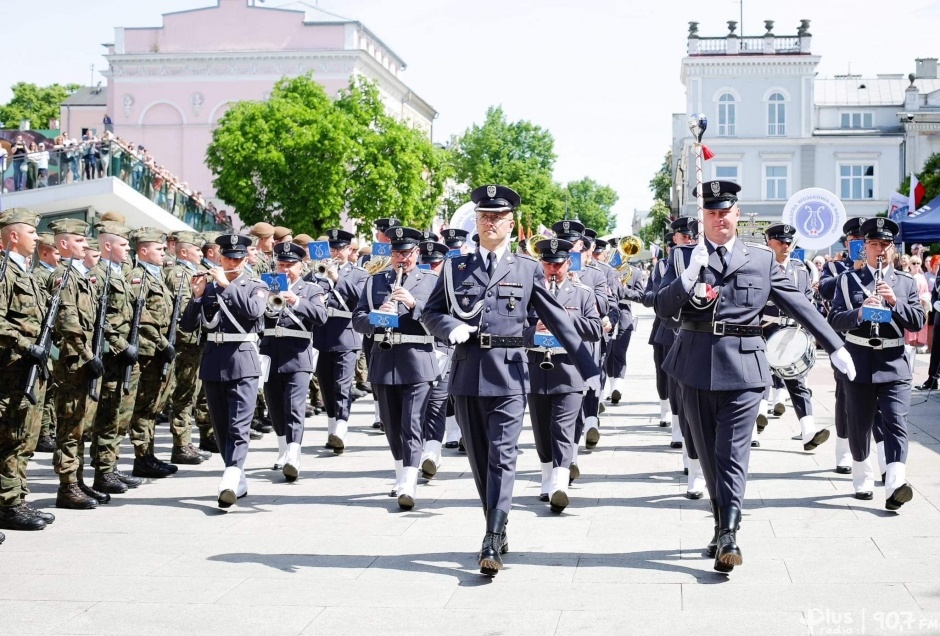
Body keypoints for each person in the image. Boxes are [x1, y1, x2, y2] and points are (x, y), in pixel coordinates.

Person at [654, 180, 855, 573]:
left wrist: (835, 345)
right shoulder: (683, 258)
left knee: (731, 453)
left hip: (745, 369)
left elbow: (798, 305)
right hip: (694, 365)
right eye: (711, 213)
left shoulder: (761, 260)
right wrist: (689, 275)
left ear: (737, 214)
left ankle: (730, 533)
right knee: (708, 456)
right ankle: (720, 525)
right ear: (703, 218)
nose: (719, 219)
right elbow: (662, 308)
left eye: (725, 212)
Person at [422, 184, 600, 576]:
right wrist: (448, 327)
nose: (489, 222)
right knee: (480, 459)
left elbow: (556, 318)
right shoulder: (456, 267)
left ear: (510, 223)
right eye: (483, 216)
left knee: (503, 454)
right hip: (468, 372)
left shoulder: (527, 267)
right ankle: (497, 523)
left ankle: (492, 533)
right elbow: (430, 313)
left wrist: (588, 368)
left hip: (510, 372)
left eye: (496, 217)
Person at [828, 218, 926, 508]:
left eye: (885, 245)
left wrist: (895, 302)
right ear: (864, 249)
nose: (879, 250)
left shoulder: (905, 282)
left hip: (894, 361)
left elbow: (919, 321)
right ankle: (862, 475)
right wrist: (859, 313)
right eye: (874, 244)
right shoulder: (848, 281)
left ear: (893, 249)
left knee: (896, 421)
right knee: (858, 425)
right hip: (858, 361)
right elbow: (833, 320)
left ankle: (896, 483)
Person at [179, 234, 269, 508]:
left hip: (243, 360)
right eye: (228, 257)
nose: (232, 262)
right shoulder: (208, 287)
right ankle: (236, 475)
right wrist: (196, 298)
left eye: (238, 258)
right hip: (213, 360)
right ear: (219, 257)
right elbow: (186, 325)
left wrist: (226, 284)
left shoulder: (256, 285)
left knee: (239, 425)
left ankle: (229, 478)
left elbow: (254, 312)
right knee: (220, 427)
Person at [353, 227, 439, 509]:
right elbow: (358, 319)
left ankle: (409, 480)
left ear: (417, 253)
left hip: (417, 358)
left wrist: (413, 303)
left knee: (412, 422)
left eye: (406, 253)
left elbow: (440, 319)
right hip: (384, 358)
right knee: (391, 424)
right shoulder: (375, 281)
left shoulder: (432, 281)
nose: (401, 258)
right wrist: (378, 318)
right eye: (396, 253)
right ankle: (401, 470)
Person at [525, 238, 602, 513]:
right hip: (536, 367)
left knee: (563, 427)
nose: (553, 269)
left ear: (569, 263)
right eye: (548, 263)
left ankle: (560, 480)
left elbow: (595, 329)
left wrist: (562, 321)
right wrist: (534, 329)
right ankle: (547, 478)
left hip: (569, 370)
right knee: (541, 429)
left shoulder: (582, 293)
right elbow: (513, 327)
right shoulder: (528, 291)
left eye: (558, 263)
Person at [0, 208, 55, 535]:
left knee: (24, 438)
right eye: (32, 233)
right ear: (13, 236)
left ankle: (15, 499)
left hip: (28, 369)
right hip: (10, 368)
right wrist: (25, 344)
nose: (37, 238)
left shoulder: (26, 273)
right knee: (9, 438)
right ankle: (7, 503)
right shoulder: (4, 270)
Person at [47, 218, 109, 509]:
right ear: (63, 244)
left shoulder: (80, 276)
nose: (86, 246)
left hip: (84, 361)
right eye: (80, 242)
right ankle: (67, 486)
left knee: (82, 426)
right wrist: (88, 356)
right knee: (70, 427)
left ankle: (79, 481)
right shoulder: (63, 276)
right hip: (73, 363)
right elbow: (68, 322)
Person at [759, 224, 829, 450]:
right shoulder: (760, 268)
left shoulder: (800, 270)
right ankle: (753, 425)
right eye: (780, 242)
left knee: (797, 382)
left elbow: (808, 302)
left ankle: (808, 433)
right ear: (768, 243)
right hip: (764, 330)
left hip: (791, 333)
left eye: (789, 242)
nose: (786, 246)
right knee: (759, 380)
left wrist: (807, 333)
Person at [260, 242, 326, 482]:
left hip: (298, 353)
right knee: (275, 405)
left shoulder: (311, 289)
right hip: (270, 352)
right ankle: (282, 450)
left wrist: (296, 301)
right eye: (281, 264)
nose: (285, 269)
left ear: (301, 266)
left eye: (290, 265)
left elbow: (321, 316)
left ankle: (294, 454)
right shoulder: (265, 286)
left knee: (294, 406)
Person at [87, 222, 144, 495]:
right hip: (111, 358)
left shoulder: (121, 274)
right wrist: (123, 346)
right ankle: (103, 471)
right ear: (107, 246)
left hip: (126, 358)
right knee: (108, 415)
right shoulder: (98, 276)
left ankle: (111, 467)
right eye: (123, 245)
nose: (127, 249)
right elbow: (100, 321)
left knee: (122, 415)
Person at [309, 229, 369, 453]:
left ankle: (341, 428)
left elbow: (361, 296)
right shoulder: (317, 272)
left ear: (349, 250)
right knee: (325, 385)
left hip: (346, 333)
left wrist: (337, 278)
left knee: (342, 385)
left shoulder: (359, 273)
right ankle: (332, 429)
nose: (335, 253)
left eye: (339, 249)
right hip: (323, 334)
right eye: (332, 249)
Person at [163, 231, 211, 465]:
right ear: (183, 251)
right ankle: (181, 445)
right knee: (183, 393)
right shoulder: (180, 274)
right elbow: (183, 312)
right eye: (197, 250)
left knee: (192, 392)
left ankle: (186, 442)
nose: (201, 254)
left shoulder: (193, 272)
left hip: (196, 341)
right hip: (187, 343)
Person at [415, 240, 454, 477]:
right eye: (426, 263)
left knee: (437, 403)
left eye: (435, 263)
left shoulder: (451, 282)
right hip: (417, 352)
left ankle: (432, 452)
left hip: (443, 347)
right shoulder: (414, 282)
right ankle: (416, 452)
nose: (430, 267)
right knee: (416, 406)